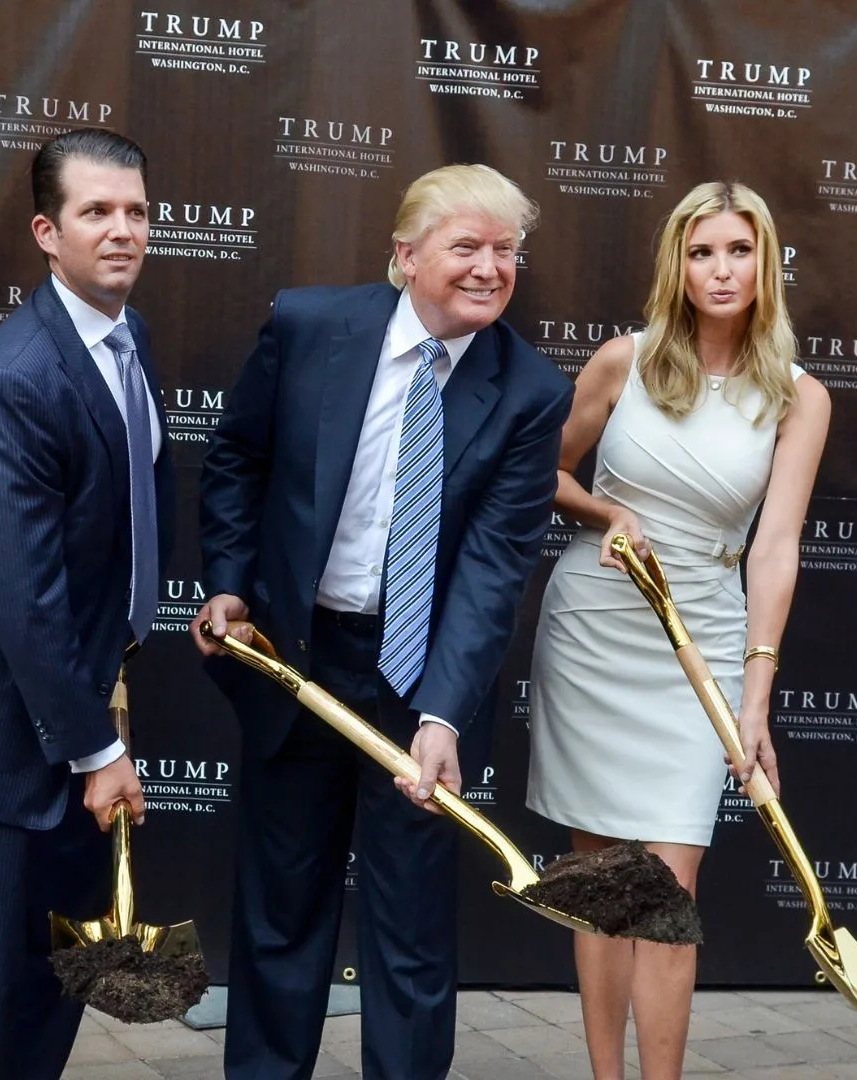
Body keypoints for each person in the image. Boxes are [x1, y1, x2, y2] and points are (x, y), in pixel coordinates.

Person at [192, 164, 572, 1080]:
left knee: (410, 932)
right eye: (468, 247)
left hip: (421, 685)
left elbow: (492, 571)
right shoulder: (310, 326)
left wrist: (442, 715)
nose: (491, 268)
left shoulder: (531, 393)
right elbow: (237, 458)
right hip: (299, 661)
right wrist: (231, 582)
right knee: (281, 914)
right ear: (406, 257)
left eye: (507, 251)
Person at [524, 181, 831, 1080]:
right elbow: (547, 471)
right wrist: (608, 513)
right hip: (595, 627)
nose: (721, 269)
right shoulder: (625, 361)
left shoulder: (797, 397)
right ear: (677, 263)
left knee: (667, 892)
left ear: (765, 262)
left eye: (739, 250)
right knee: (602, 885)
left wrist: (755, 695)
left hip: (699, 637)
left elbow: (774, 550)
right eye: (702, 252)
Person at [0, 127, 175, 1080]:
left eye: (136, 211)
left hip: (74, 706)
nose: (122, 230)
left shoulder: (125, 341)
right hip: (4, 735)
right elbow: (26, 593)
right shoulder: (18, 378)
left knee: (54, 973)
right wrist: (98, 750)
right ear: (46, 233)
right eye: (96, 211)